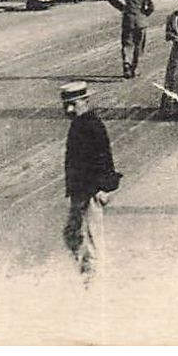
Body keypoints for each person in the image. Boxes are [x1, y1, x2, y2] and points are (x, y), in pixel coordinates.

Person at [61, 81, 119, 288]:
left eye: (73, 104)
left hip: (91, 190)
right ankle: (86, 274)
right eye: (65, 105)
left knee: (92, 236)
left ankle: (94, 280)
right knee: (73, 233)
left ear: (85, 102)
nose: (69, 110)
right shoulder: (80, 124)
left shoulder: (92, 126)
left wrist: (104, 188)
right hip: (80, 191)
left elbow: (104, 158)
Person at [109, 0, 155, 79]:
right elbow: (152, 6)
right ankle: (135, 68)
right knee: (139, 45)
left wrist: (123, 8)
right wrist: (145, 14)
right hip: (141, 20)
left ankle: (126, 63)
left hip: (128, 19)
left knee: (127, 43)